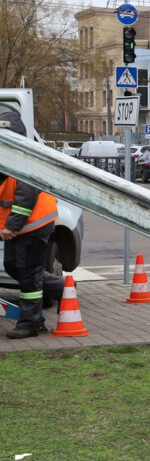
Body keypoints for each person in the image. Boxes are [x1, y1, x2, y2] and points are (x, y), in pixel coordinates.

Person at [0, 111, 63, 339]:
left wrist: (12, 226)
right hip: (25, 226)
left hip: (33, 225)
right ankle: (62, 288)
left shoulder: (23, 158)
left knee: (27, 273)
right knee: (14, 267)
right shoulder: (8, 157)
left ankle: (30, 324)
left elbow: (25, 197)